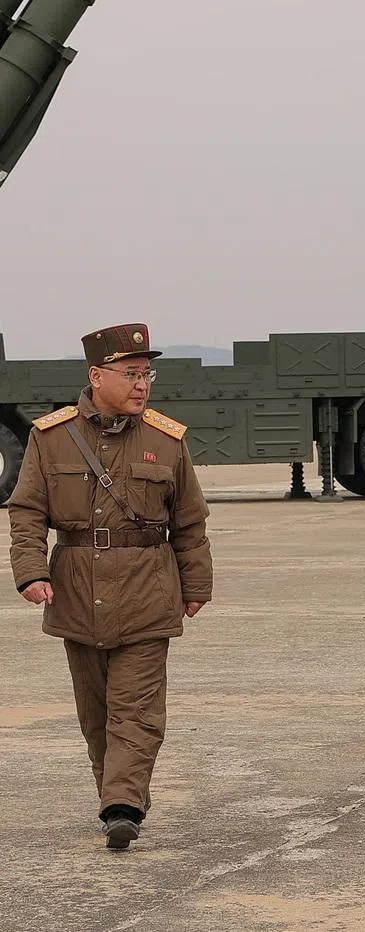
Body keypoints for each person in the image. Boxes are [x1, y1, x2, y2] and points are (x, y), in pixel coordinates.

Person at [8, 323, 212, 851]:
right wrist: (31, 571)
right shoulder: (50, 437)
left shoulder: (167, 440)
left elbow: (189, 521)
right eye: (131, 374)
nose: (143, 384)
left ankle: (123, 806)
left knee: (136, 708)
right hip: (77, 587)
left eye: (148, 374)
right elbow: (28, 512)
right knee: (95, 710)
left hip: (148, 586)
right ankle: (114, 795)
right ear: (96, 376)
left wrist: (197, 583)